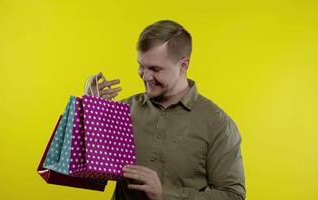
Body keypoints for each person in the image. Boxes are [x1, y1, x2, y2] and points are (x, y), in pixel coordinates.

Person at [88, 20, 245, 200]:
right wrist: (88, 111)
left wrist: (165, 194)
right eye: (141, 65)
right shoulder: (123, 109)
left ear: (184, 65)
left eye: (155, 69)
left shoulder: (218, 124)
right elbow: (87, 174)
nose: (145, 76)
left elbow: (233, 196)